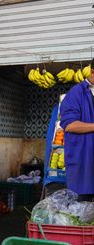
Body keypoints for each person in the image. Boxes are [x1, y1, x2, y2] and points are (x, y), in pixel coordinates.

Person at [60, 59, 94, 202]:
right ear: (92, 72)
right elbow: (70, 125)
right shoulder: (76, 93)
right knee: (82, 209)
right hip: (84, 162)